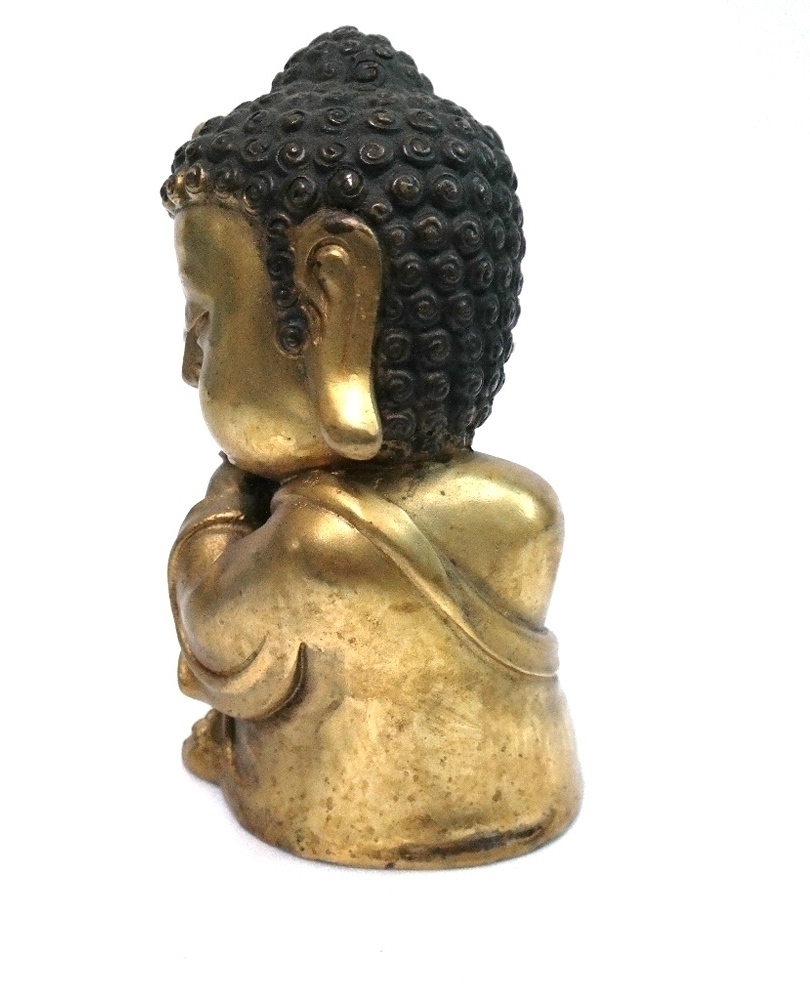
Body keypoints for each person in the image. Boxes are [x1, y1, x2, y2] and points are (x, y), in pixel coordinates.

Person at [162, 27, 581, 868]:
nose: (188, 365)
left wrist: (224, 500)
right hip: (534, 791)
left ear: (332, 311)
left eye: (205, 322)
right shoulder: (528, 509)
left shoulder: (318, 541)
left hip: (321, 808)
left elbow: (211, 641)